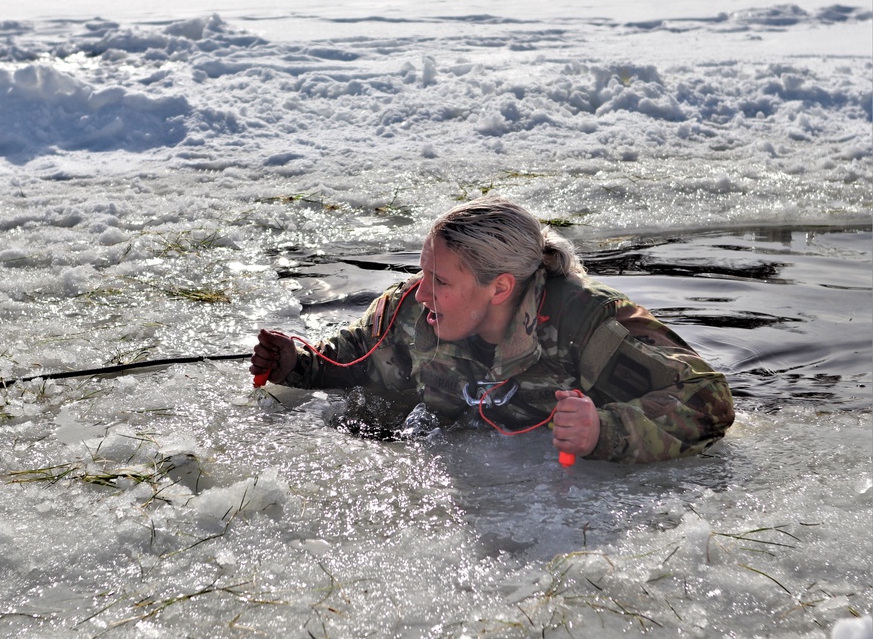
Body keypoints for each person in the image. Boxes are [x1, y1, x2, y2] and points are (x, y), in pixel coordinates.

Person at [250, 196, 735, 463]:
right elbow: (350, 358)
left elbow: (706, 396)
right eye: (423, 273)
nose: (420, 293)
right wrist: (295, 363)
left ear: (499, 288)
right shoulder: (410, 309)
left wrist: (602, 432)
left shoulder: (586, 325)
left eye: (441, 281)